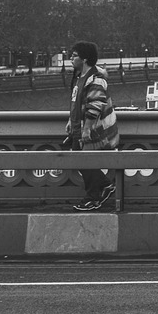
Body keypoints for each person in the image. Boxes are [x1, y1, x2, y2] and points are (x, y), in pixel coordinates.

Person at [63, 41, 119, 212]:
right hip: (78, 129)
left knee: (86, 162)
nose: (71, 58)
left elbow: (95, 106)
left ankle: (93, 198)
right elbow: (77, 102)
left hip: (93, 130)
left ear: (85, 59)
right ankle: (105, 186)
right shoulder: (80, 77)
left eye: (74, 55)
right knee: (81, 162)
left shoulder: (96, 79)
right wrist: (70, 121)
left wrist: (87, 129)